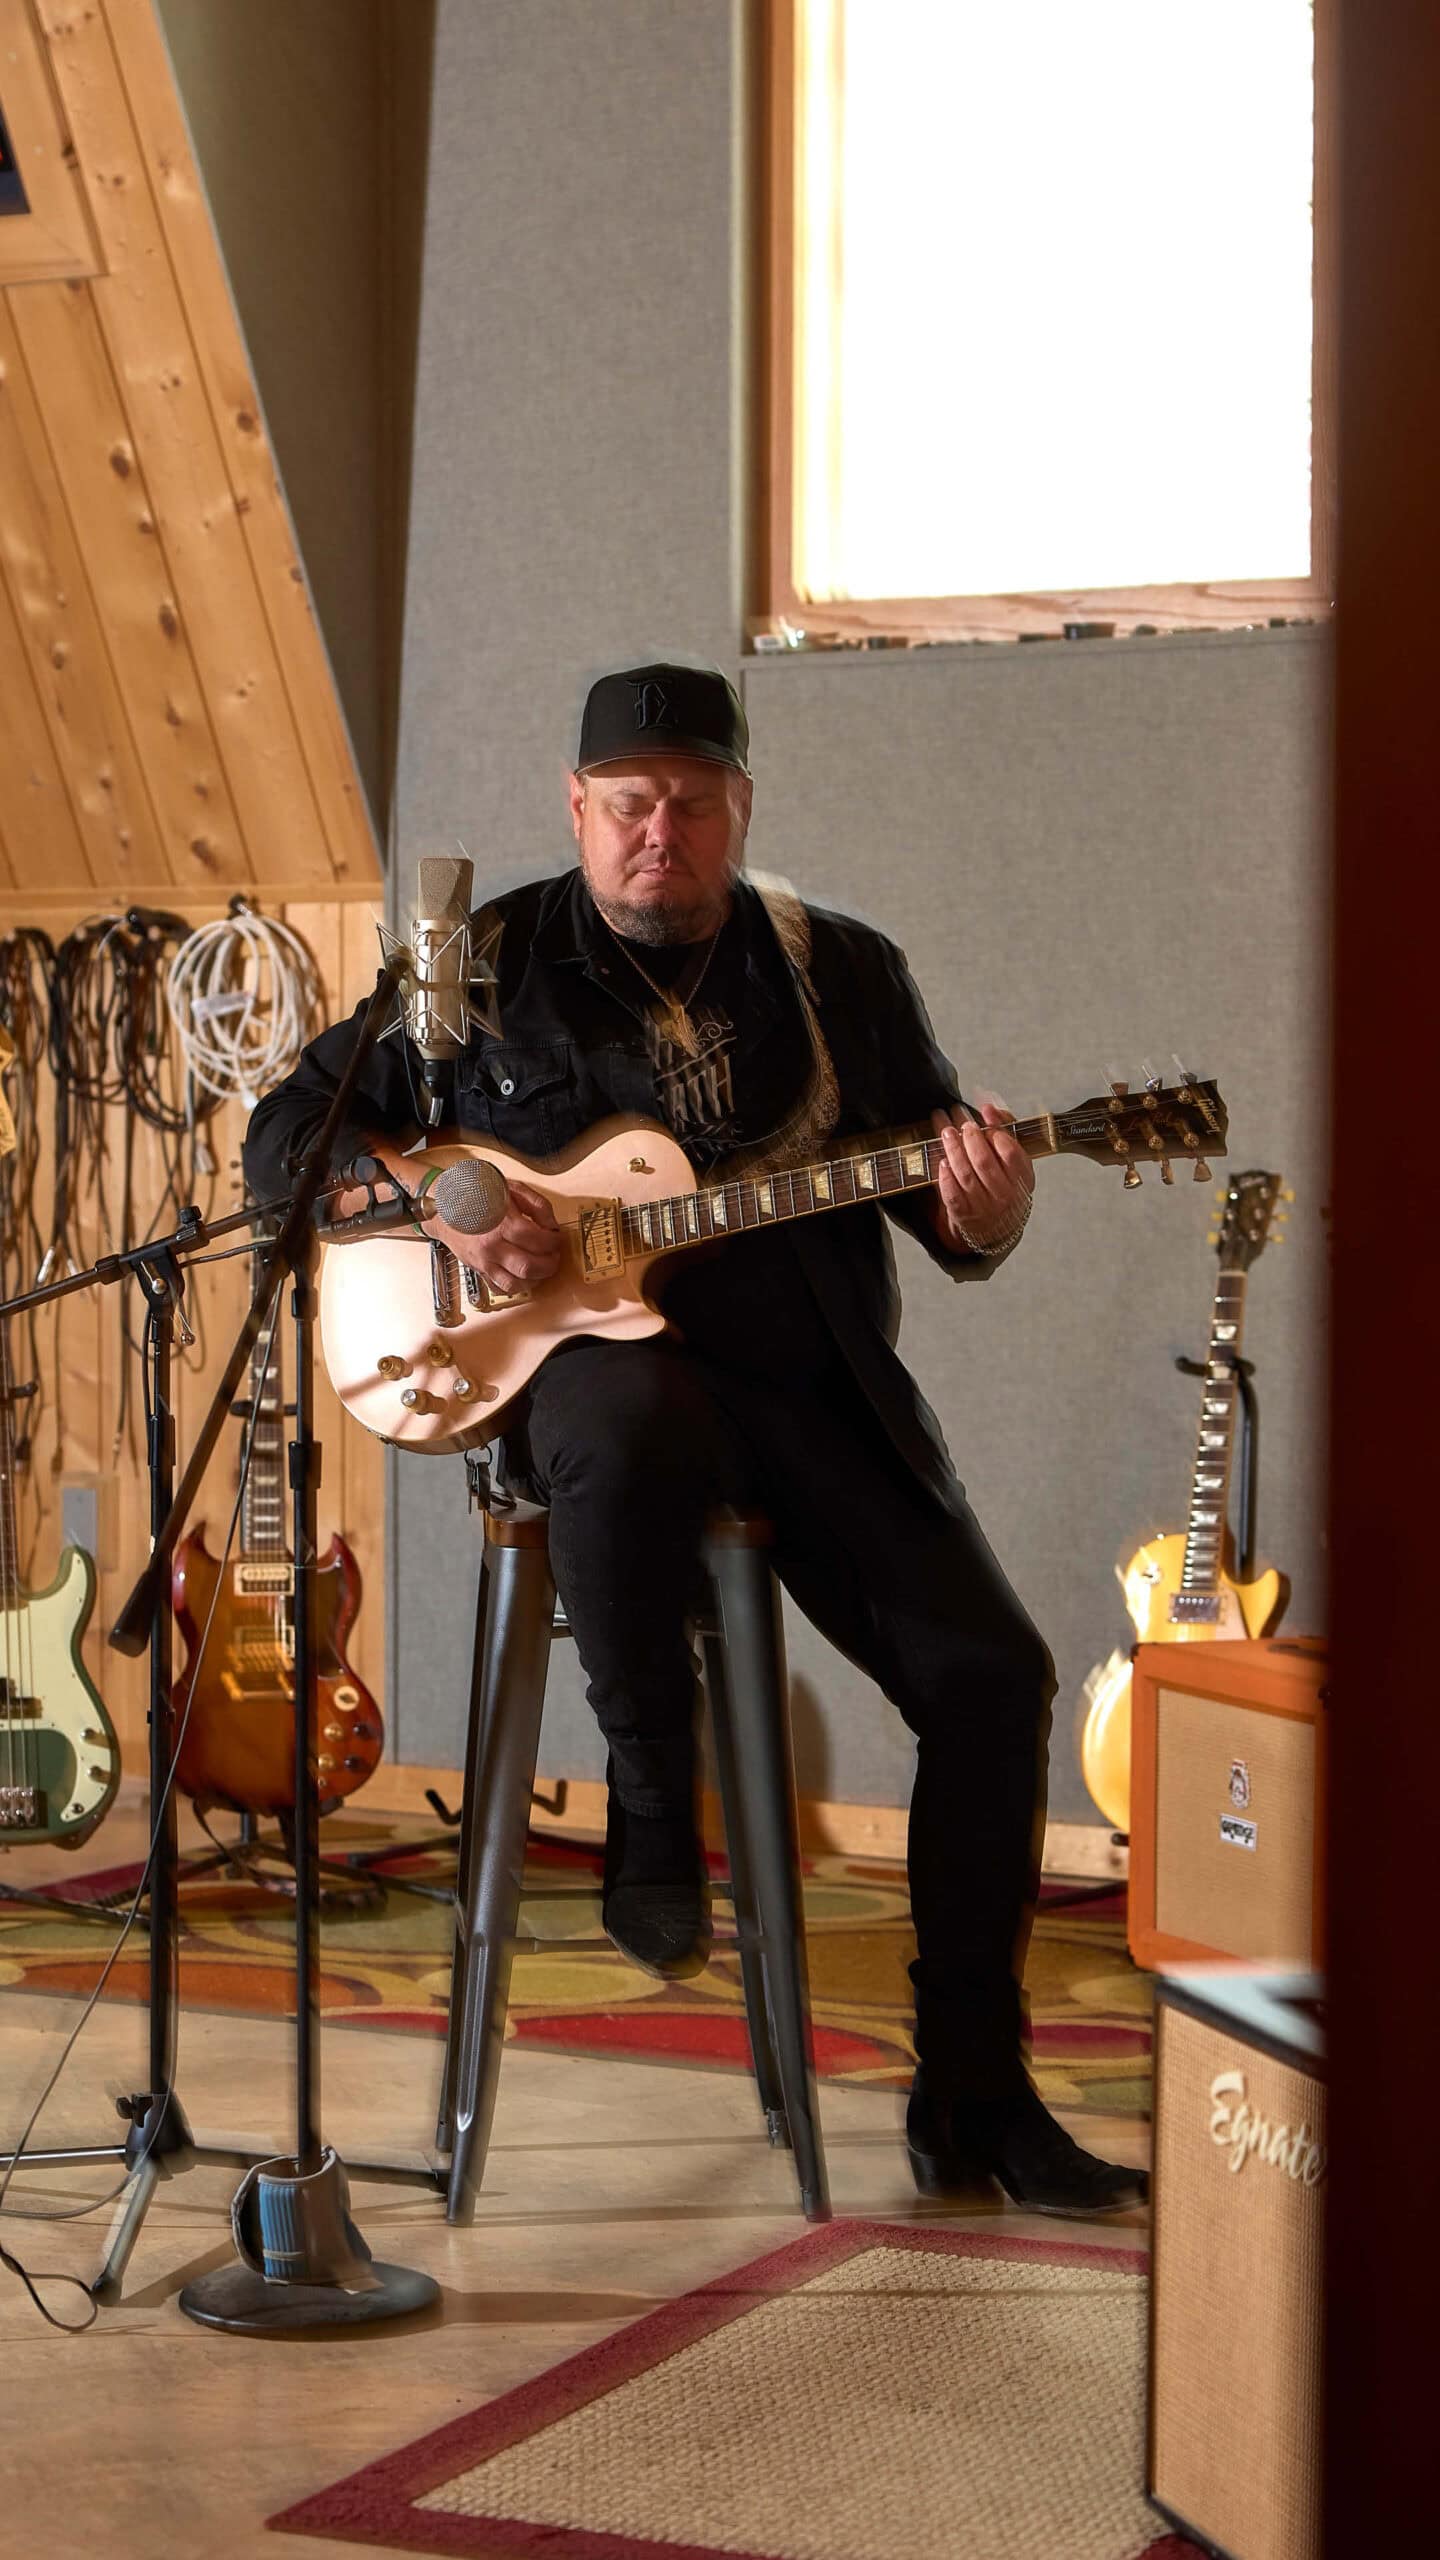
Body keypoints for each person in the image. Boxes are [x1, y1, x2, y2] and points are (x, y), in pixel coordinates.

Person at [245, 661, 1145, 2216]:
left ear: (742, 810)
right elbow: (290, 1140)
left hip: (815, 1393)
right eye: (630, 806)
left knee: (994, 1680)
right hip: (584, 1394)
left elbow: (941, 1213)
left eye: (694, 804)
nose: (660, 833)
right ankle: (652, 1795)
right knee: (634, 1413)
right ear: (578, 811)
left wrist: (987, 1211)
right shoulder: (484, 961)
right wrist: (457, 1209)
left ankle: (975, 2097)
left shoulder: (840, 970)